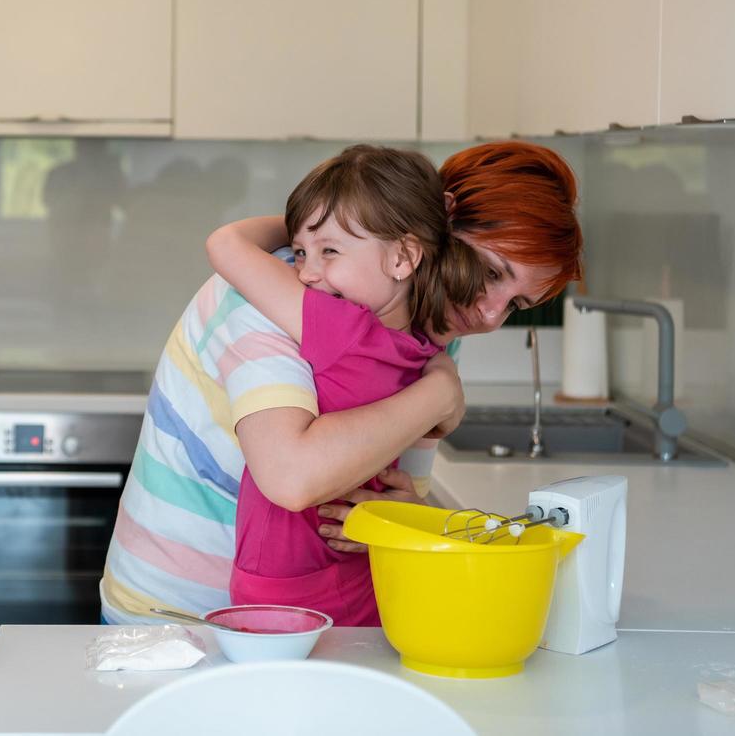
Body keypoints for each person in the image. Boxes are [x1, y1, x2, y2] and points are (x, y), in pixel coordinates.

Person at [99, 141, 582, 624]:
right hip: (176, 616)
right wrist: (441, 394)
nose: (492, 313)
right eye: (494, 272)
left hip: (307, 619)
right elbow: (292, 476)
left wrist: (398, 514)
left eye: (516, 304)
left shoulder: (429, 318)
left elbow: (389, 476)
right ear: (440, 224)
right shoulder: (278, 292)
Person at [206, 146, 486, 625]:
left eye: (329, 251)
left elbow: (226, 243)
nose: (307, 273)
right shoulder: (426, 348)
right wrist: (328, 222)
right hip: (348, 569)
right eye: (299, 252)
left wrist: (306, 223)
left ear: (404, 256)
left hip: (292, 577)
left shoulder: (340, 326)